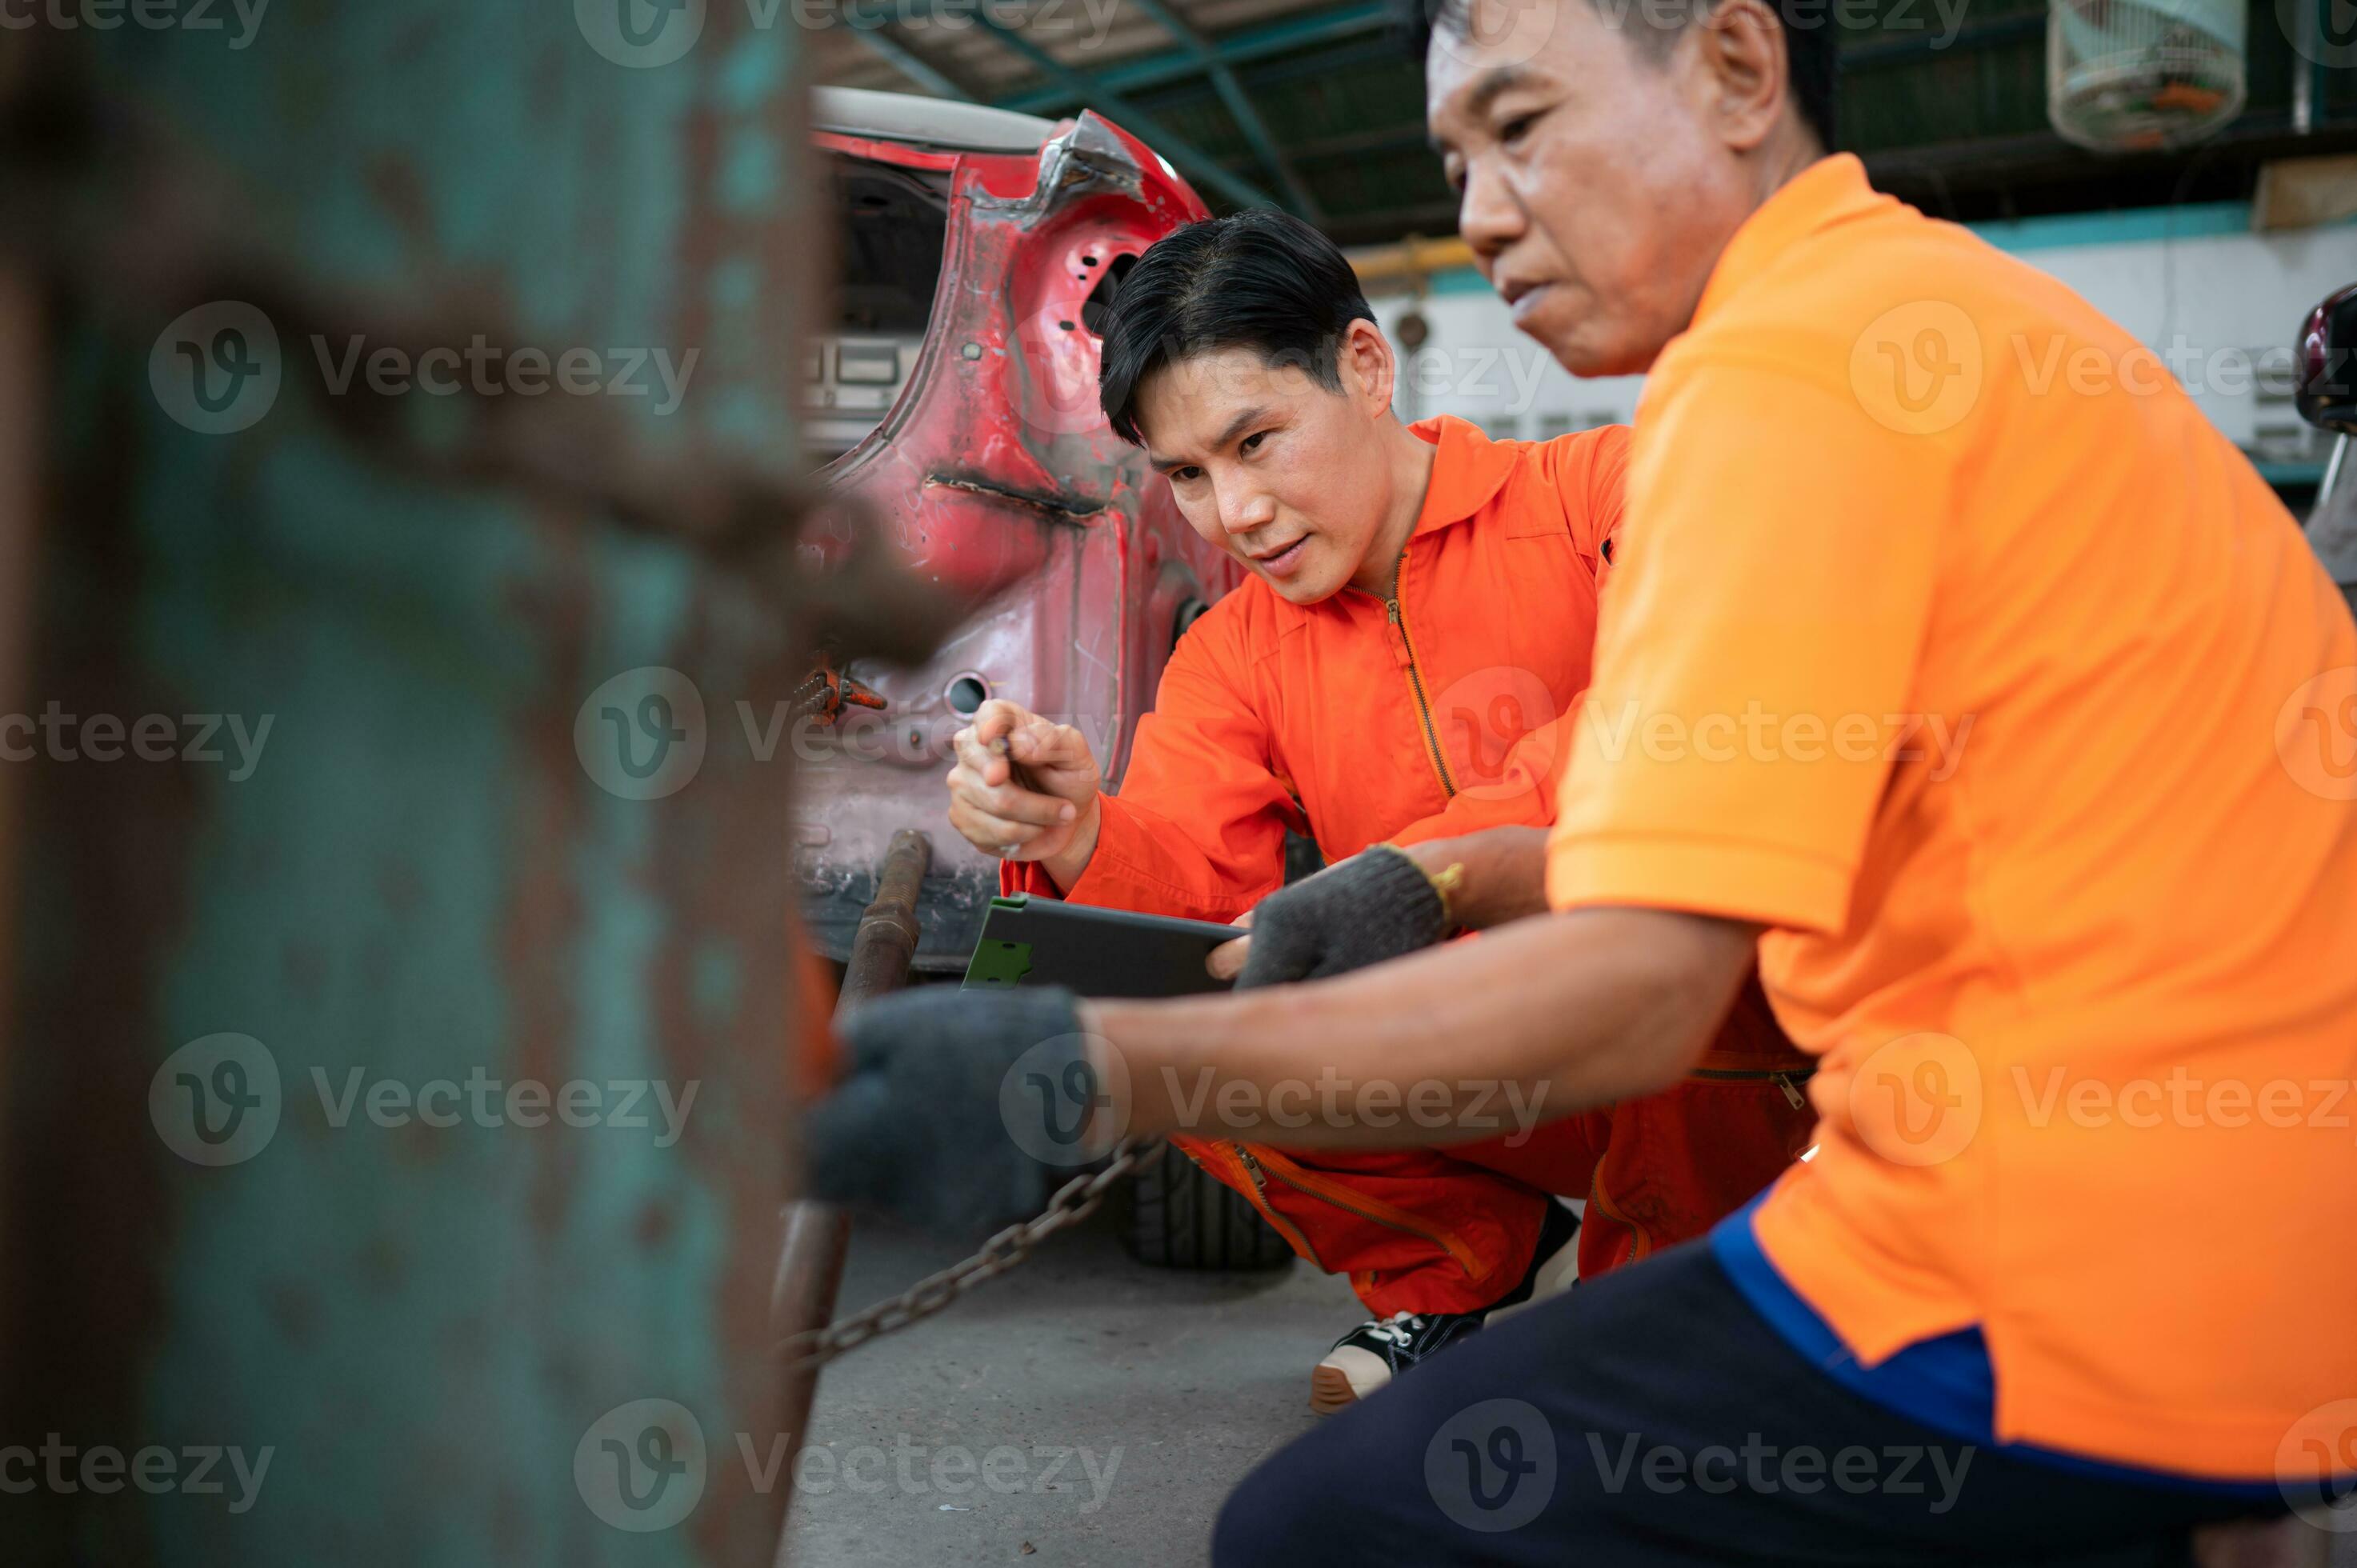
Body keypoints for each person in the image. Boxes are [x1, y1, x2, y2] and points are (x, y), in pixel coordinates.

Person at [814, 0, 2357, 1554]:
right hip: (2232, 1200)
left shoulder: (1742, 410)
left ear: (1741, 69)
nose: (1481, 211)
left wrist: (1099, 1067)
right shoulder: (1900, 322)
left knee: (1317, 1524)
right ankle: (1456, 1284)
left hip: (2078, 1234)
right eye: (1455, 158)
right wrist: (1099, 835)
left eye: (1524, 127)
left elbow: (1641, 972)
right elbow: (1530, 851)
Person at [934, 205, 1814, 1413]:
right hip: (1472, 1069)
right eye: (1186, 474)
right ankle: (1454, 1279)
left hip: (1695, 1049)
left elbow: (1666, 734)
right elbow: (1201, 905)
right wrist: (1079, 835)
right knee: (1188, 1041)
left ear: (1363, 364)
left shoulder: (1605, 497)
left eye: (1255, 441)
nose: (1232, 512)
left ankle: (1664, 1321)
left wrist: (1415, 876)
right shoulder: (1233, 650)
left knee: (1669, 928)